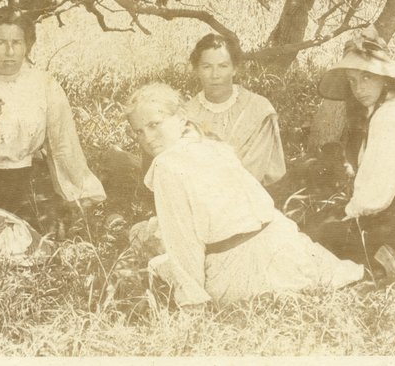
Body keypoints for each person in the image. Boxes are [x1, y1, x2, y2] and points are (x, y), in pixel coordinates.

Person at [127, 82, 363, 307]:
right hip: (286, 248)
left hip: (241, 268)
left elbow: (183, 241)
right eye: (139, 132)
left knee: (155, 258)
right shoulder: (209, 144)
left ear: (179, 118)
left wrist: (192, 302)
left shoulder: (167, 165)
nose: (147, 138)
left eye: (154, 124)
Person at [0, 8, 106, 227]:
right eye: (0, 43)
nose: (10, 51)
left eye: (17, 43)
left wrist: (81, 194)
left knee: (29, 238)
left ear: (26, 47)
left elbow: (63, 145)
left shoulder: (44, 85)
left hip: (28, 182)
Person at [310, 26, 395, 268]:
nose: (359, 89)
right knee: (324, 226)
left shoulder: (388, 115)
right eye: (353, 81)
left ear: (384, 77)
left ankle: (388, 262)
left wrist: (348, 211)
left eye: (367, 77)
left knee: (316, 235)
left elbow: (376, 194)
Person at [184, 34, 286, 187]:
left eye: (223, 66)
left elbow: (253, 172)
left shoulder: (258, 109)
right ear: (197, 70)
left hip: (249, 197)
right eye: (206, 67)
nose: (215, 75)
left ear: (234, 69)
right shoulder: (187, 113)